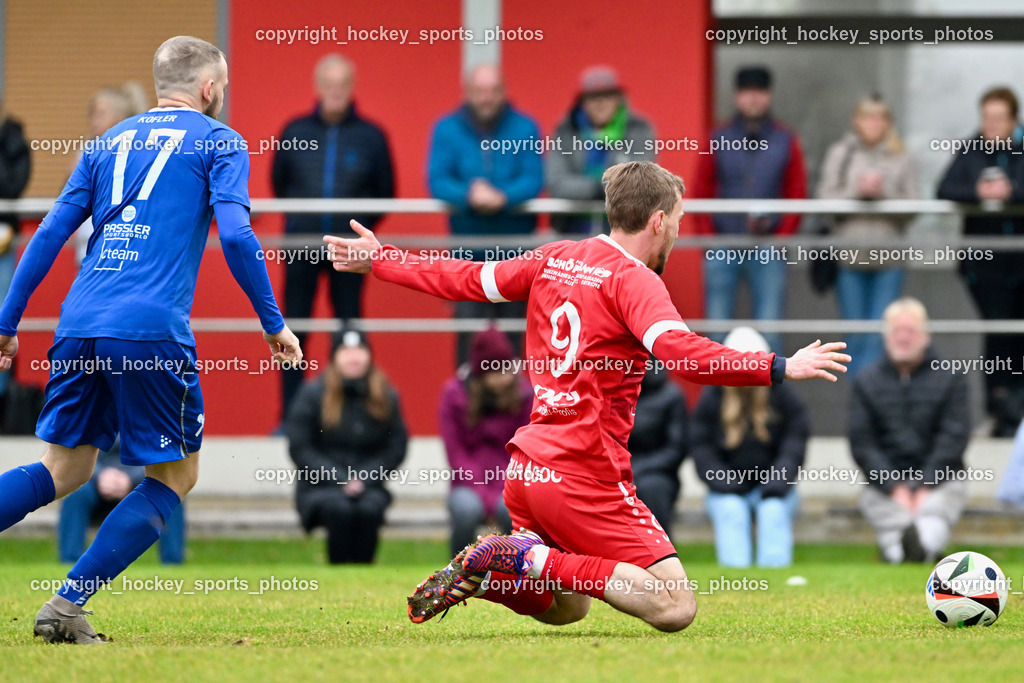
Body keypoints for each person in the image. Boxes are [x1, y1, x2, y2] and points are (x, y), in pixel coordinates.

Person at [326, 160, 848, 632]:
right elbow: (683, 355)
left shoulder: (555, 257)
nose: (677, 231)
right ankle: (523, 560)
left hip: (527, 470)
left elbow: (470, 278)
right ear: (659, 222)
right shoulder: (634, 279)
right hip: (582, 473)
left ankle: (498, 566)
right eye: (680, 221)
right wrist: (779, 365)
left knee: (569, 607)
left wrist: (384, 260)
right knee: (674, 606)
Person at [0, 35, 302, 644]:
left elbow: (51, 230)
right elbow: (239, 237)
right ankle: (65, 606)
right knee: (173, 477)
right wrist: (273, 322)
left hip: (78, 321)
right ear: (211, 89)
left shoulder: (107, 142)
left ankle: (66, 606)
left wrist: (7, 322)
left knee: (63, 468)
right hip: (149, 331)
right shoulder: (220, 141)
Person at [272, 54, 395, 423]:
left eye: (342, 84)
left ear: (352, 87)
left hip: (349, 248)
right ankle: (292, 419)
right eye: (329, 84)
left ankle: (351, 416)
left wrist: (356, 228)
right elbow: (280, 184)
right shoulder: (294, 131)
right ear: (318, 87)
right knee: (293, 331)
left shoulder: (372, 136)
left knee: (349, 330)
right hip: (301, 248)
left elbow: (385, 192)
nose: (335, 92)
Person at [427, 63, 543, 363]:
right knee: (470, 338)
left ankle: (512, 408)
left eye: (492, 91)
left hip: (516, 256)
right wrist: (470, 194)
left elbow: (534, 178)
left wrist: (502, 197)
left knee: (512, 339)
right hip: (467, 255)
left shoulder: (525, 127)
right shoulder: (446, 128)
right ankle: (467, 407)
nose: (486, 98)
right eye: (479, 91)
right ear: (468, 92)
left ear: (503, 91)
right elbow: (437, 179)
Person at [694, 66, 807, 352]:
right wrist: (708, 240)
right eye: (747, 92)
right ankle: (718, 396)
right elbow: (700, 190)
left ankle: (768, 396)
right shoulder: (717, 137)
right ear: (737, 96)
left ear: (768, 96)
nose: (753, 99)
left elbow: (797, 192)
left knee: (770, 330)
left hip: (768, 246)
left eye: (759, 92)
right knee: (716, 332)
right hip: (722, 243)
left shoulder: (786, 139)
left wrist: (782, 238)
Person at [850, 298, 970, 564]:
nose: (903, 337)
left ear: (926, 337)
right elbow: (863, 444)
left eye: (911, 330)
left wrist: (925, 484)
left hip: (940, 481)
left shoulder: (951, 378)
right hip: (885, 487)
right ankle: (911, 551)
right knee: (893, 518)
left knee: (933, 512)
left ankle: (918, 548)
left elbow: (954, 437)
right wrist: (896, 488)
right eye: (896, 330)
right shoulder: (865, 381)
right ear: (886, 336)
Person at [937, 87, 1024, 437]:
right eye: (987, 117)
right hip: (984, 267)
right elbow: (944, 189)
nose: (992, 125)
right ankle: (1000, 410)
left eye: (999, 118)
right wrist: (978, 193)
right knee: (998, 335)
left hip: (1021, 264)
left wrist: (1012, 193)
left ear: (1013, 120)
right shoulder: (971, 149)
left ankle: (1018, 411)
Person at [816, 95, 919, 374]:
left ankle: (868, 405)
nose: (873, 124)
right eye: (867, 117)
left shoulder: (901, 154)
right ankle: (862, 407)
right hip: (849, 259)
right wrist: (856, 194)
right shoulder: (841, 152)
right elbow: (824, 201)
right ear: (856, 121)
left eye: (879, 117)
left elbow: (915, 207)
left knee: (878, 336)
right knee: (855, 337)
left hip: (889, 260)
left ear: (888, 122)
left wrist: (883, 194)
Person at [286, 328, 406, 564]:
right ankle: (338, 571)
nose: (354, 357)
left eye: (360, 350)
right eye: (346, 351)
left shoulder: (385, 395)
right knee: (339, 508)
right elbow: (300, 447)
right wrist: (340, 478)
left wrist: (364, 479)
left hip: (369, 487)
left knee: (369, 509)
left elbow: (396, 446)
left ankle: (365, 575)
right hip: (320, 487)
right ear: (334, 357)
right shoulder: (312, 394)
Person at [692, 327, 807, 568]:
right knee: (731, 510)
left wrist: (776, 483)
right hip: (726, 490)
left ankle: (774, 583)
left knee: (773, 510)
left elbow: (794, 446)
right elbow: (701, 450)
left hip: (774, 488)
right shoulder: (712, 397)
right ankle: (738, 583)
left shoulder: (783, 396)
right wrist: (726, 484)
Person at [439, 327, 532, 557]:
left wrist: (501, 490)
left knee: (511, 510)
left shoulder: (526, 396)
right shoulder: (453, 396)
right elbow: (456, 455)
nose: (506, 376)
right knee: (466, 510)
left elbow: (524, 451)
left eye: (508, 368)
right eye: (497, 370)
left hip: (511, 483)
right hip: (467, 484)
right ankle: (457, 574)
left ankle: (517, 574)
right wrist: (484, 493)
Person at [546, 65, 656, 235]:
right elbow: (556, 183)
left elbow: (638, 182)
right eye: (593, 97)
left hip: (625, 232)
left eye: (607, 95)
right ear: (582, 102)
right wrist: (600, 187)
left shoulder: (639, 129)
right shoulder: (566, 130)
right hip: (571, 232)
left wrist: (590, 188)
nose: (600, 103)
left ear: (619, 98)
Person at [58, 438, 186, 565]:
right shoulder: (89, 418)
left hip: (142, 487)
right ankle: (70, 562)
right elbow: (77, 454)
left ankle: (172, 563)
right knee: (76, 493)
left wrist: (130, 478)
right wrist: (100, 475)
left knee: (169, 493)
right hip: (95, 487)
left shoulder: (154, 420)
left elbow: (163, 457)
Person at [72, 84, 150, 265]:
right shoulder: (87, 151)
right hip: (88, 246)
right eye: (92, 114)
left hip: (123, 248)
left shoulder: (137, 151)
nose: (94, 121)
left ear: (120, 117)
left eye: (101, 114)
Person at [627, 357, 688, 533]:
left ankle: (660, 553)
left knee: (652, 487)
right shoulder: (614, 393)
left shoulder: (671, 395)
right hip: (616, 467)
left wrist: (638, 469)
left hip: (657, 472)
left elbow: (676, 448)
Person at [0, 103, 30, 416]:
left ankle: (4, 405)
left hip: (3, 244)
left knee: (2, 317)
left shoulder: (13, 137)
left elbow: (12, 185)